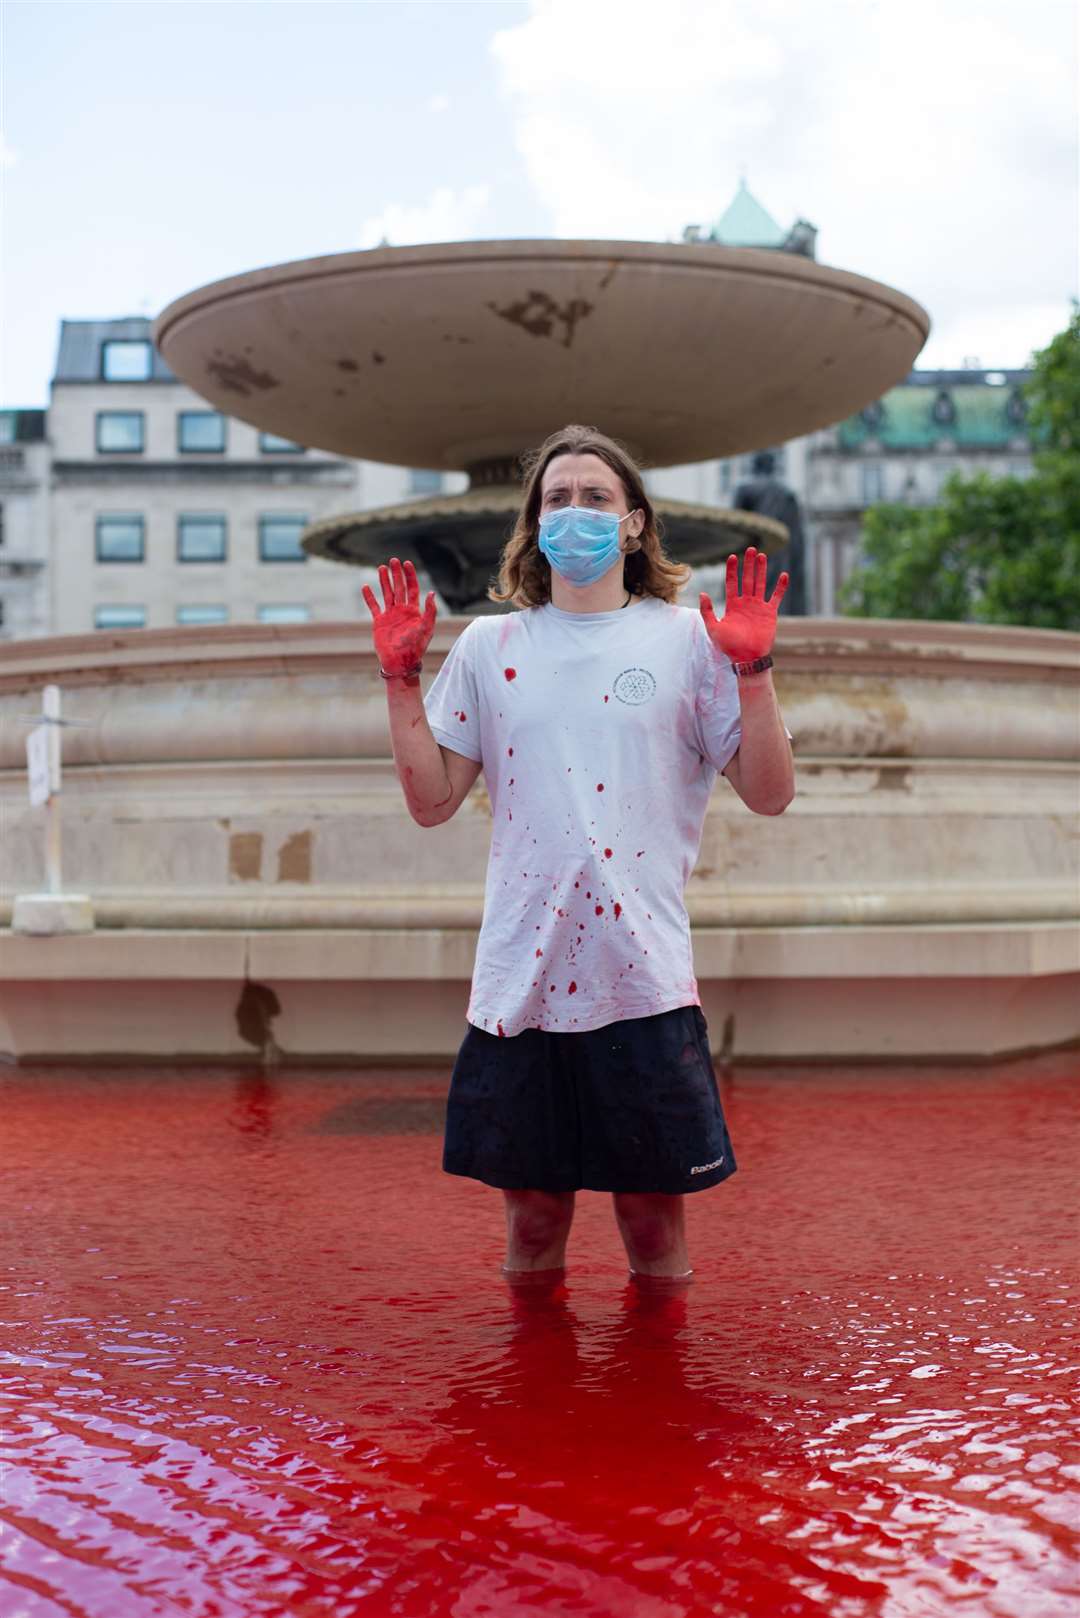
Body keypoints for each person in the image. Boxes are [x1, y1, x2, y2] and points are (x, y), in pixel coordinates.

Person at [362, 424, 794, 1290]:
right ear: (533, 524)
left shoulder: (687, 642)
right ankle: (535, 1416)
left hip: (642, 979)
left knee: (650, 1225)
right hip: (521, 979)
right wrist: (401, 682)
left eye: (596, 497)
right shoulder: (491, 649)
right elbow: (431, 802)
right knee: (532, 1226)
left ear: (634, 522)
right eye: (556, 499)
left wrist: (754, 674)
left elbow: (770, 791)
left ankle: (654, 1417)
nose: (575, 514)